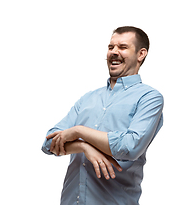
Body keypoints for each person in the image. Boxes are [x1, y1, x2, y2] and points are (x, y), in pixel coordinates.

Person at [41, 26, 164, 205]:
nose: (114, 52)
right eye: (110, 47)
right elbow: (48, 143)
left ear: (141, 54)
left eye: (122, 47)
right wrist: (84, 147)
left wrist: (78, 131)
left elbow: (130, 147)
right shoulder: (88, 98)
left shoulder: (149, 98)